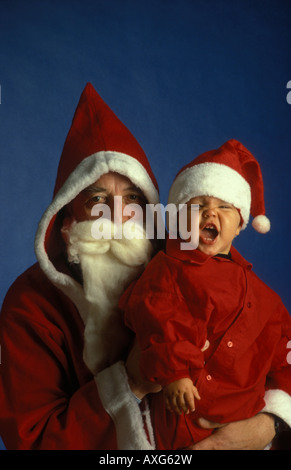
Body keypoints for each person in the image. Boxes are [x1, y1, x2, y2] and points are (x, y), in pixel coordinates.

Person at [0, 83, 285, 450]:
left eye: (133, 198)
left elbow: (273, 347)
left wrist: (268, 428)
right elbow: (32, 439)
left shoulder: (197, 268)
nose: (118, 215)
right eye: (98, 200)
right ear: (68, 214)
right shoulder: (31, 305)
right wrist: (132, 378)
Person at [121, 139, 291, 449]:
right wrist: (175, 373)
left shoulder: (265, 298)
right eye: (197, 206)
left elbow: (283, 356)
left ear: (240, 222)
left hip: (245, 428)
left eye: (224, 206)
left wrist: (273, 419)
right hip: (181, 417)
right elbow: (157, 315)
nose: (210, 214)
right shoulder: (169, 268)